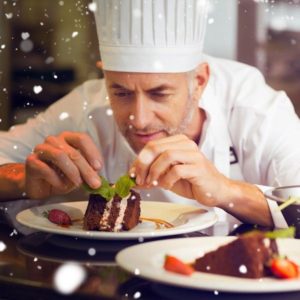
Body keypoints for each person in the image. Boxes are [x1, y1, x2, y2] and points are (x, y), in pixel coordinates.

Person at [0, 0, 299, 233]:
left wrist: (226, 190)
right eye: (121, 93)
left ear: (199, 82)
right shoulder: (85, 108)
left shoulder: (255, 109)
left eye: (159, 94)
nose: (139, 119)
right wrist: (21, 179)